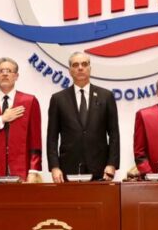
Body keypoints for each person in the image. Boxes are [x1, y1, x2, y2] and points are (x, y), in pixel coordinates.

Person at [46, 51, 120, 182]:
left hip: (100, 168)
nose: (80, 68)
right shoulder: (58, 99)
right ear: (70, 70)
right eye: (75, 65)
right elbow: (52, 137)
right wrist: (54, 167)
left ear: (90, 68)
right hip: (68, 168)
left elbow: (114, 134)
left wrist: (112, 164)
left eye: (84, 64)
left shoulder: (106, 96)